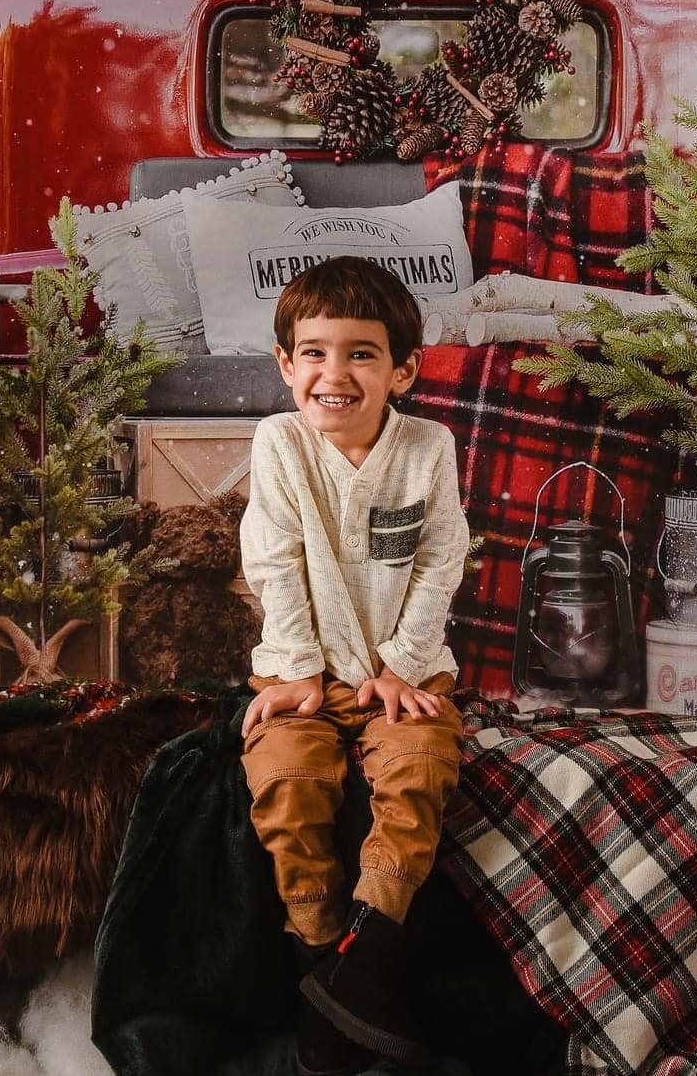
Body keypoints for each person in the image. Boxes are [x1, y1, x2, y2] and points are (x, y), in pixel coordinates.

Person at [238, 256, 470, 1075]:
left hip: (404, 678)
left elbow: (441, 557)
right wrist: (299, 667)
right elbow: (273, 559)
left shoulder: (427, 448)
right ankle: (313, 948)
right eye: (314, 352)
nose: (334, 374)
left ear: (403, 369)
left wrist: (403, 663)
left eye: (361, 354)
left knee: (417, 768)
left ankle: (366, 957)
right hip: (302, 672)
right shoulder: (280, 444)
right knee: (290, 778)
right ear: (284, 364)